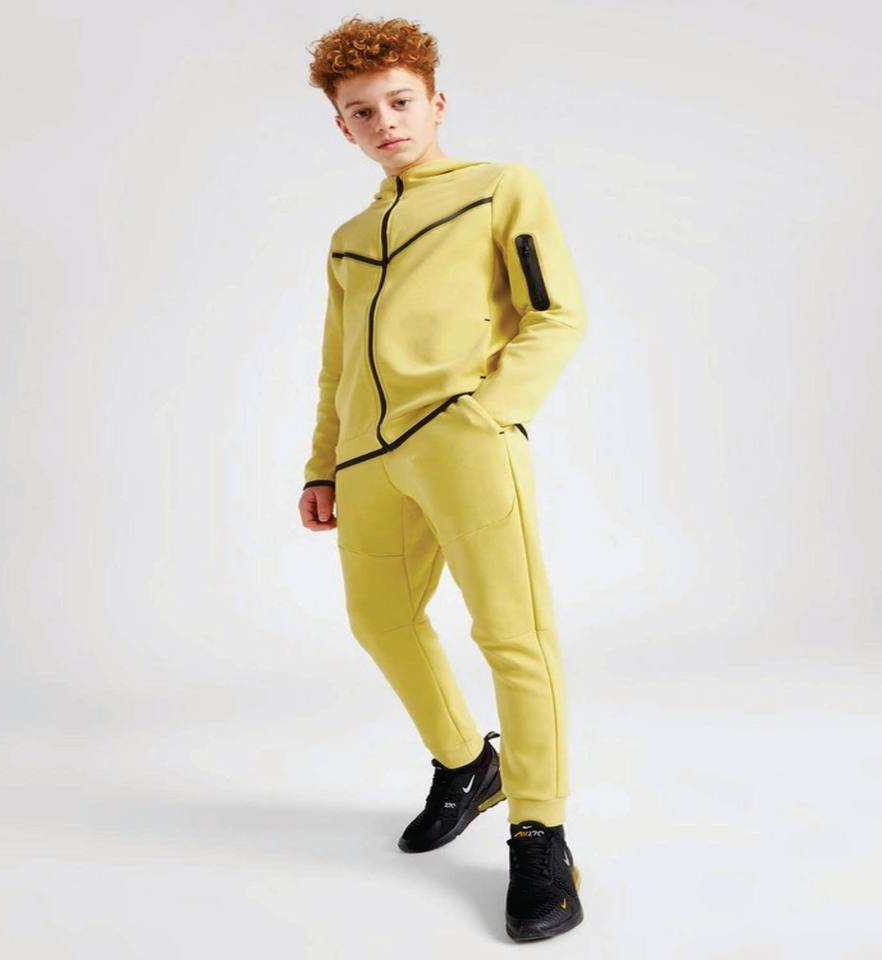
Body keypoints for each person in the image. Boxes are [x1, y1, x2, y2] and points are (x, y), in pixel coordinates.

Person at [297, 15, 587, 942]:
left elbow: (556, 315)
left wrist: (489, 413)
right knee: (379, 619)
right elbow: (336, 363)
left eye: (400, 102)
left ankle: (539, 831)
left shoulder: (500, 188)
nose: (385, 122)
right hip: (367, 458)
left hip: (464, 440)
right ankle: (467, 763)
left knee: (513, 634)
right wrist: (323, 463)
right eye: (362, 111)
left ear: (436, 102)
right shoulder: (348, 238)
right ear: (342, 126)